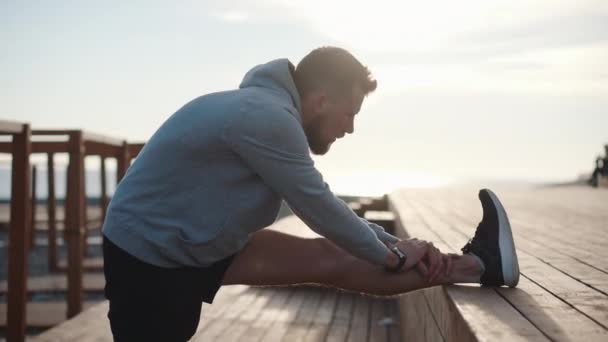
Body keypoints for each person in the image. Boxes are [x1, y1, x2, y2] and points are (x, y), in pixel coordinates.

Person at [102, 47, 520, 341]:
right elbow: (319, 208)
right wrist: (394, 254)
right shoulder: (265, 118)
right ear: (321, 100)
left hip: (190, 239)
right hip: (149, 257)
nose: (350, 128)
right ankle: (477, 265)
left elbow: (331, 214)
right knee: (337, 253)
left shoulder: (265, 113)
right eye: (349, 113)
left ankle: (479, 266)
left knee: (330, 258)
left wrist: (400, 245)